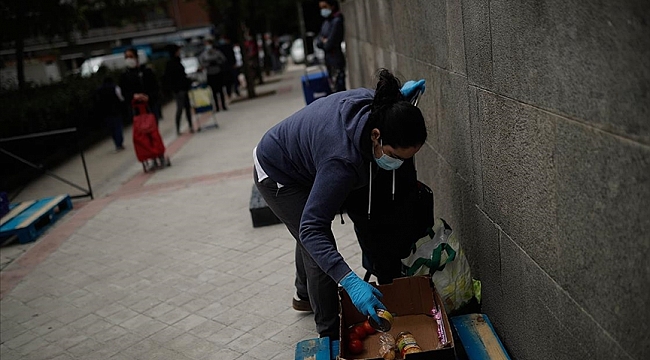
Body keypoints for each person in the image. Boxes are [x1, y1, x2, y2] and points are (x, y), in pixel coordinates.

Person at [253, 69, 427, 339]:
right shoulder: (342, 163)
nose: (397, 164)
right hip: (277, 172)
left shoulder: (379, 107)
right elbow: (312, 230)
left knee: (306, 224)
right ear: (376, 136)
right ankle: (330, 335)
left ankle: (303, 295)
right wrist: (349, 281)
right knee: (317, 247)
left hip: (307, 158)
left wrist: (400, 103)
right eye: (393, 155)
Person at [119, 48, 160, 121]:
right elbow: (124, 93)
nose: (128, 59)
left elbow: (155, 88)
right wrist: (134, 96)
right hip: (136, 110)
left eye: (131, 56)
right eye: (126, 57)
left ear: (136, 57)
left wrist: (148, 97)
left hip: (150, 107)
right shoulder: (124, 76)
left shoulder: (146, 72)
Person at [316, 0, 346, 92]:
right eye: (321, 8)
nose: (323, 10)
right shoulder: (326, 22)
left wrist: (325, 41)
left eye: (325, 7)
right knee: (333, 88)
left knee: (339, 89)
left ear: (332, 6)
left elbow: (329, 44)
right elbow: (318, 41)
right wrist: (323, 41)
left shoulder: (336, 21)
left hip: (336, 60)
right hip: (329, 61)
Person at [163, 44, 193, 134]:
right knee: (180, 108)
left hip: (183, 88)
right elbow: (171, 78)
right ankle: (178, 128)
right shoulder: (172, 63)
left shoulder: (177, 62)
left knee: (187, 107)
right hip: (178, 89)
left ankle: (190, 126)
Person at [94, 76, 126, 151]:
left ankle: (116, 143)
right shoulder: (115, 87)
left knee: (112, 129)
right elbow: (121, 98)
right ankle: (119, 143)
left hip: (106, 112)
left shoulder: (99, 90)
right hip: (115, 110)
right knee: (118, 127)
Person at [199, 38, 228, 111]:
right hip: (210, 73)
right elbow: (201, 63)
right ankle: (217, 107)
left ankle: (223, 105)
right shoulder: (203, 54)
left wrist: (217, 62)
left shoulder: (217, 52)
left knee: (221, 90)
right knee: (214, 91)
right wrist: (207, 64)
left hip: (218, 72)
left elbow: (223, 60)